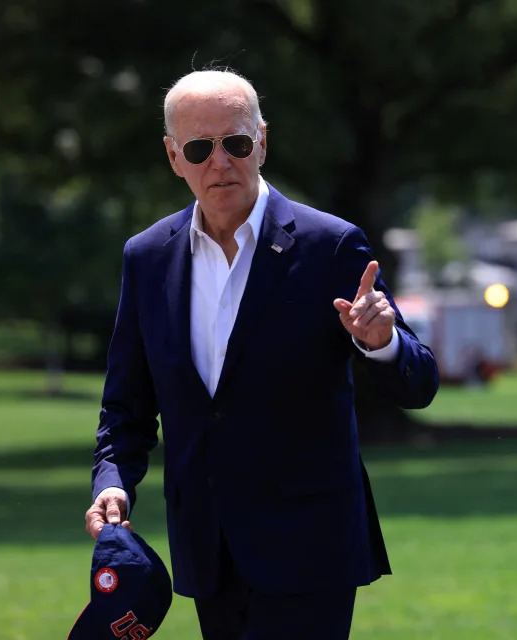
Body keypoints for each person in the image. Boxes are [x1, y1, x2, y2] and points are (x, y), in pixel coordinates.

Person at [82, 69, 439, 639]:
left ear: (263, 142)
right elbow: (125, 405)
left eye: (237, 143)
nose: (219, 162)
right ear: (175, 157)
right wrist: (112, 483)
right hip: (207, 550)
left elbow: (419, 384)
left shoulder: (332, 246)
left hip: (310, 546)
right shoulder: (146, 257)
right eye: (200, 148)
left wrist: (382, 343)